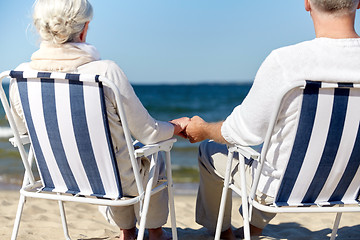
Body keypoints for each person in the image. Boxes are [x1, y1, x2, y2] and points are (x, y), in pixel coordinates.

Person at [9, 0, 189, 239]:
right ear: (83, 29)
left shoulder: (19, 78)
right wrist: (177, 126)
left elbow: (23, 132)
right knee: (154, 154)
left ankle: (127, 232)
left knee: (118, 157)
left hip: (58, 180)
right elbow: (150, 133)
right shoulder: (105, 73)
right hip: (113, 183)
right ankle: (154, 231)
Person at [185, 0, 360, 239]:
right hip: (352, 190)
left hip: (281, 191)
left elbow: (243, 132)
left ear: (308, 3)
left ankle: (223, 232)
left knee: (210, 150)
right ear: (358, 4)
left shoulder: (286, 62)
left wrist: (203, 129)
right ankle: (253, 227)